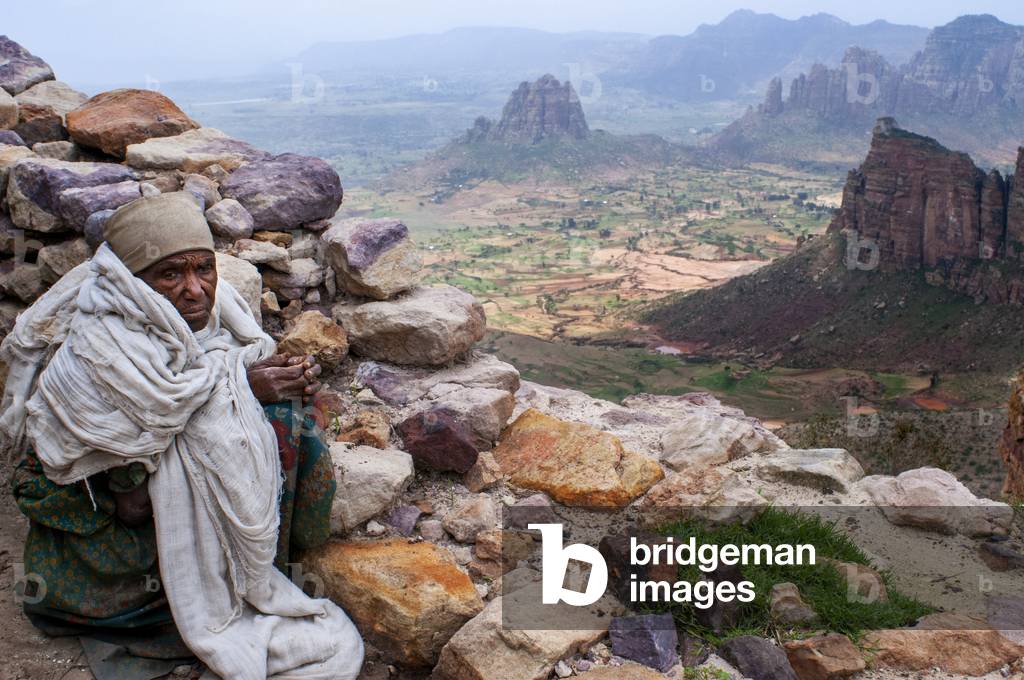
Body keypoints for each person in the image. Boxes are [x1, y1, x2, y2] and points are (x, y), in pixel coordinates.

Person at [1, 192, 363, 679]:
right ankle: (179, 600)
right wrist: (243, 386)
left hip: (159, 500)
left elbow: (221, 372)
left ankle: (255, 568)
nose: (195, 290)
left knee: (290, 421)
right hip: (109, 518)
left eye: (204, 269)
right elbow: (120, 473)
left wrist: (274, 380)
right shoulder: (97, 345)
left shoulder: (218, 313)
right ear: (133, 283)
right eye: (171, 274)